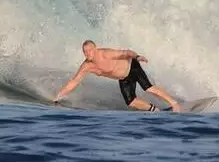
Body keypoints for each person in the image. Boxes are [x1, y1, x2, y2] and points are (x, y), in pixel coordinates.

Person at [53, 40, 182, 112]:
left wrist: (137, 56)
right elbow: (74, 81)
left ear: (95, 49)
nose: (87, 54)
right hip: (123, 78)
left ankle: (174, 104)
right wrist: (59, 95)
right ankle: (155, 110)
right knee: (131, 102)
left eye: (89, 50)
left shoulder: (106, 54)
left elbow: (126, 52)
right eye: (84, 51)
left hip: (132, 67)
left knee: (148, 88)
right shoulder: (87, 66)